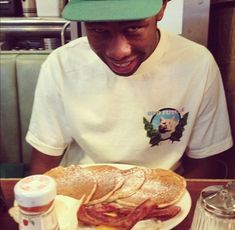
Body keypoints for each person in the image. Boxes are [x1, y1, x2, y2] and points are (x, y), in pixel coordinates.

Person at [27, 0, 233, 177]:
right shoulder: (62, 65)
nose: (118, 52)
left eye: (133, 28)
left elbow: (205, 164)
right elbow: (43, 164)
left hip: (162, 195)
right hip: (82, 196)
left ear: (162, 7)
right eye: (99, 30)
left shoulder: (196, 63)